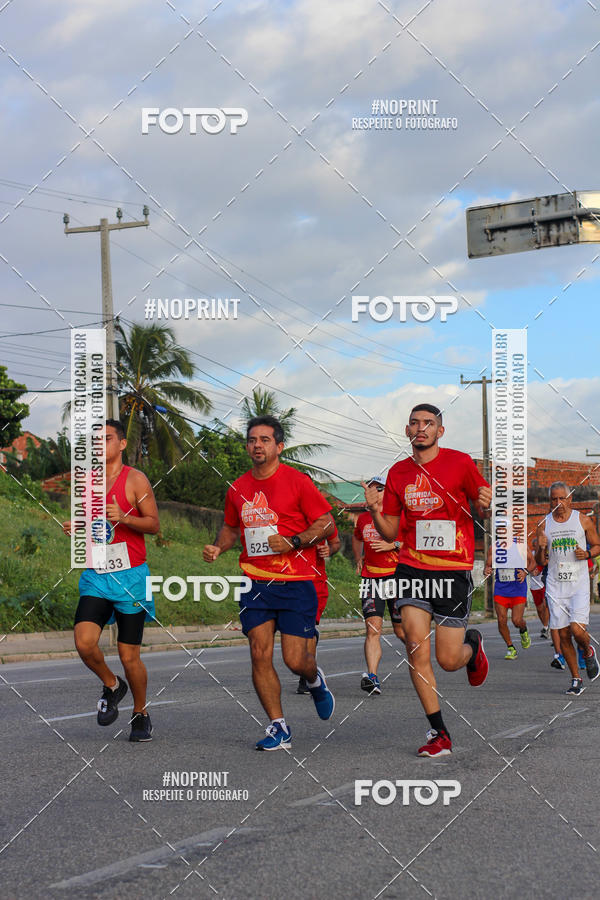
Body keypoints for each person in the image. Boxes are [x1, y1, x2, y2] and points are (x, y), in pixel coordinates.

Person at [363, 403, 491, 758]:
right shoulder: (398, 473)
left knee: (448, 659)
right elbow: (390, 530)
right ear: (407, 431)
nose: (421, 428)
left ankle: (472, 648)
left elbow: (483, 509)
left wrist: (487, 502)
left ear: (440, 431)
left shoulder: (460, 462)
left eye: (429, 424)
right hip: (412, 568)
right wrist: (375, 510)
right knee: (415, 647)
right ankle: (439, 733)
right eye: (415, 423)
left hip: (452, 569)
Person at [203, 415, 335, 750]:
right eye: (251, 439)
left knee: (295, 660)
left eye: (264, 439)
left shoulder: (297, 482)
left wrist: (295, 540)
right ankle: (279, 727)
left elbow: (327, 523)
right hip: (255, 581)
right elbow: (233, 527)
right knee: (259, 652)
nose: (257, 445)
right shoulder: (238, 487)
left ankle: (314, 679)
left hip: (296, 581)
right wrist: (219, 546)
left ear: (279, 446)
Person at [62, 420, 160, 742]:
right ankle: (113, 684)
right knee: (84, 642)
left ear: (121, 444)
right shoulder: (86, 482)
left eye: (106, 438)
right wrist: (77, 525)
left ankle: (141, 713)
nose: (99, 443)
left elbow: (154, 524)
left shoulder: (135, 479)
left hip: (131, 577)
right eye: (94, 440)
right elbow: (92, 521)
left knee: (129, 655)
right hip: (97, 574)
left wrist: (126, 517)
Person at [536, 482, 600, 695]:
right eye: (553, 499)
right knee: (563, 636)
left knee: (577, 630)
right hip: (555, 586)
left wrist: (588, 554)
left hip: (579, 584)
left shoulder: (582, 520)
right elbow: (540, 561)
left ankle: (588, 650)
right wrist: (541, 547)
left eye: (561, 498)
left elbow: (597, 545)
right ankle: (576, 679)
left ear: (569, 499)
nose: (558, 503)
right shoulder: (544, 525)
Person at [353, 475, 405, 694]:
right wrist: (359, 557)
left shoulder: (399, 517)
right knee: (372, 629)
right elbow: (357, 537)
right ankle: (372, 677)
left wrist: (393, 545)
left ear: (388, 493)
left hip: (396, 578)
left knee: (402, 632)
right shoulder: (364, 519)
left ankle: (420, 663)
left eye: (380, 489)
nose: (375, 492)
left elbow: (415, 543)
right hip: (371, 579)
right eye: (372, 489)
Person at [296, 525, 341, 694]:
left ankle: (307, 677)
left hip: (315, 583)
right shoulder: (289, 514)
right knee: (296, 632)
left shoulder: (323, 519)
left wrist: (330, 549)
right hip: (290, 580)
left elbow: (336, 543)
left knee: (307, 629)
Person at [484, 540, 536, 659]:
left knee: (517, 620)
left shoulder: (520, 545)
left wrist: (525, 572)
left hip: (517, 588)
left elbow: (533, 562)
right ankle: (510, 647)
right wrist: (486, 570)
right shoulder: (494, 547)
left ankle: (523, 630)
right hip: (501, 588)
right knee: (501, 620)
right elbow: (488, 565)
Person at [529, 538, 550, 640]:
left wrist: (537, 569)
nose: (537, 547)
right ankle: (545, 626)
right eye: (536, 545)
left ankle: (546, 627)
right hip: (534, 585)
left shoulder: (544, 553)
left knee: (546, 605)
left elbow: (544, 563)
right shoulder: (530, 554)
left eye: (539, 545)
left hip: (544, 583)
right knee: (539, 608)